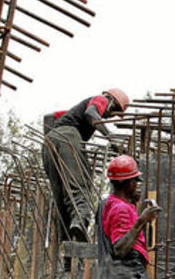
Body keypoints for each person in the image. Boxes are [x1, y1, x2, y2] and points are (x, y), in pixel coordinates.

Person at [43, 88, 130, 242]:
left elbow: (49, 117)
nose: (109, 116)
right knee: (79, 182)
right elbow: (91, 113)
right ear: (113, 103)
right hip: (68, 138)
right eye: (112, 113)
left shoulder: (72, 113)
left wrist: (51, 138)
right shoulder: (101, 100)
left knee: (60, 196)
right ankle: (80, 221)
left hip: (49, 143)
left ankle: (67, 241)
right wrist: (111, 138)